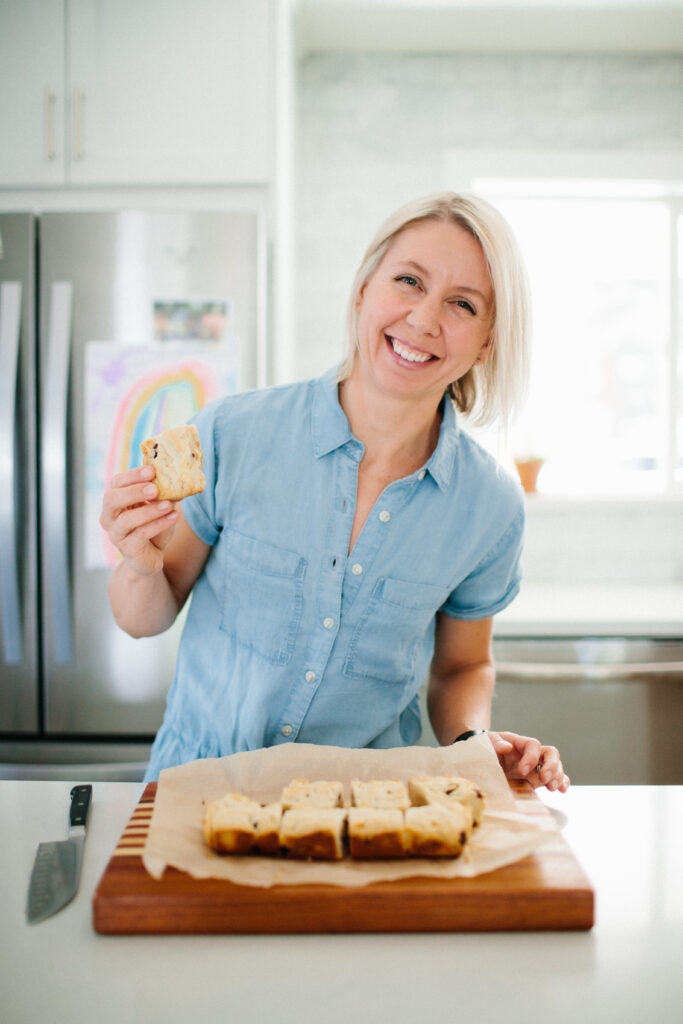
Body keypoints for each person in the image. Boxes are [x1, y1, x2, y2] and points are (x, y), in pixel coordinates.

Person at [100, 191, 570, 793]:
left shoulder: (491, 504)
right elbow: (144, 618)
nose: (424, 319)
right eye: (408, 281)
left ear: (486, 343)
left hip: (364, 807)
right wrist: (140, 566)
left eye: (461, 303)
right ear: (363, 291)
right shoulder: (231, 435)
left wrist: (474, 746)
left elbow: (462, 666)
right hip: (199, 790)